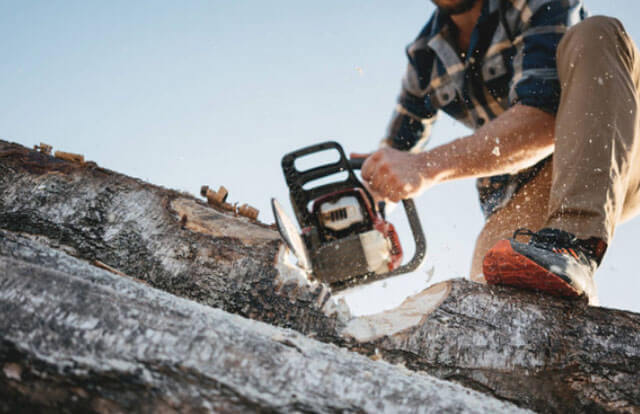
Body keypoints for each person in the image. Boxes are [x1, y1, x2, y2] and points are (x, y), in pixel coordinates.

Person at [360, 0, 640, 304]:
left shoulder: (536, 4)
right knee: (493, 300)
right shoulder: (425, 54)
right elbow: (395, 155)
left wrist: (426, 166)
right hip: (522, 192)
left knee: (596, 33)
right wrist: (367, 206)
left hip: (611, 145)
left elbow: (541, 122)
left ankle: (574, 244)